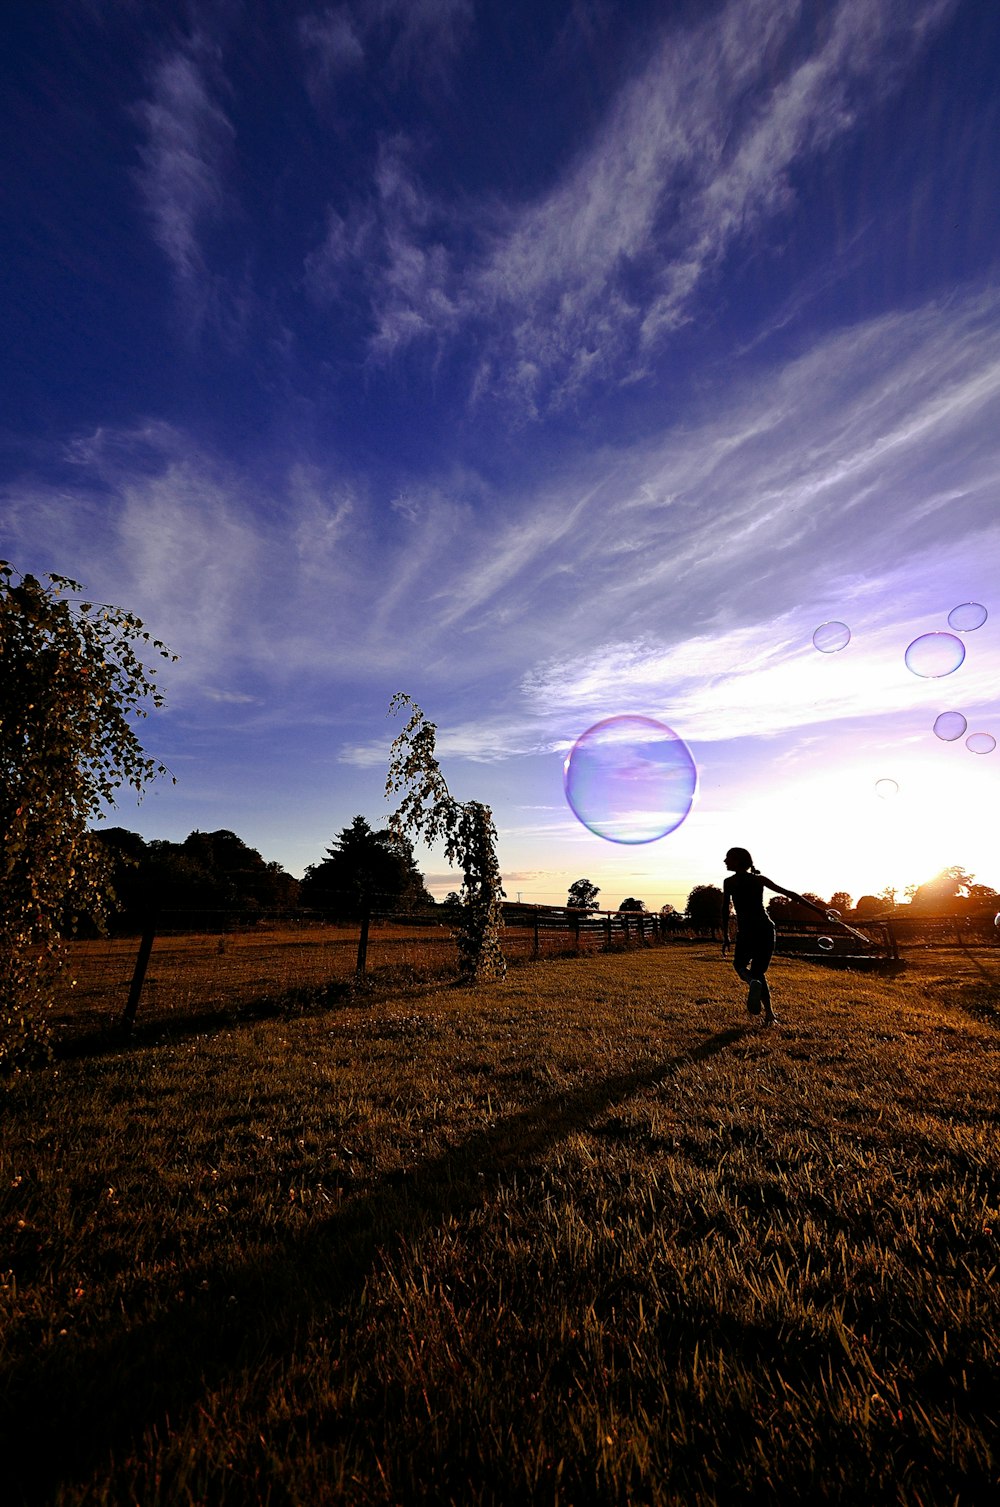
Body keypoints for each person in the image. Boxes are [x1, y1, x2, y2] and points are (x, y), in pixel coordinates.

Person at [721, 847, 827, 1024]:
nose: (725, 861)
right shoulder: (759, 880)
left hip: (747, 930)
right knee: (759, 972)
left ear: (737, 861)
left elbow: (725, 910)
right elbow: (790, 894)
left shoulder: (729, 882)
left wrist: (725, 936)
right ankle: (770, 1015)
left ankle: (751, 982)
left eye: (728, 858)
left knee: (740, 966)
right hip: (765, 928)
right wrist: (819, 910)